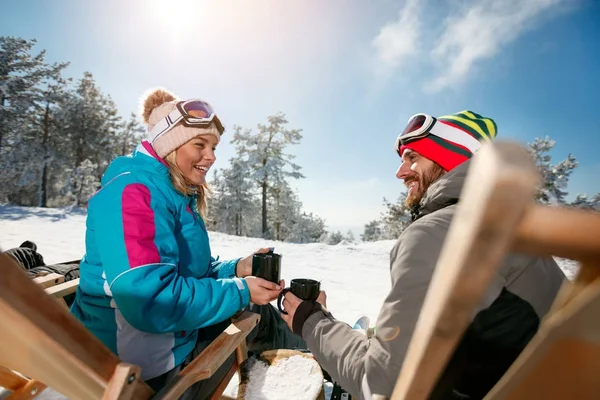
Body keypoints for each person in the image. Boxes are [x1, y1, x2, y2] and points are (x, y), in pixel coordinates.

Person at [280, 111, 566, 399]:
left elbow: (382, 386)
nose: (400, 172)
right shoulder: (506, 225)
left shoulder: (437, 232)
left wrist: (311, 320)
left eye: (413, 157)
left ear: (452, 158)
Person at [70, 88, 304, 398]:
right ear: (170, 144)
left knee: (255, 309)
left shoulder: (170, 193)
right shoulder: (133, 195)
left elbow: (185, 272)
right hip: (146, 371)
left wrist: (237, 268)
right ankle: (325, 354)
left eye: (214, 146)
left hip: (170, 340)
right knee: (254, 311)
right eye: (200, 144)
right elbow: (150, 300)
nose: (211, 156)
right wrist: (242, 288)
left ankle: (323, 350)